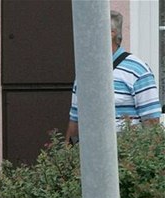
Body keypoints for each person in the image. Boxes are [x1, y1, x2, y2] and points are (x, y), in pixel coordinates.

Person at [65, 10, 161, 144]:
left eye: (92, 29)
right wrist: (67, 158)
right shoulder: (85, 72)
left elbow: (152, 122)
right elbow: (75, 121)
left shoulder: (138, 70)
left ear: (111, 33)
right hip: (91, 158)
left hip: (127, 158)